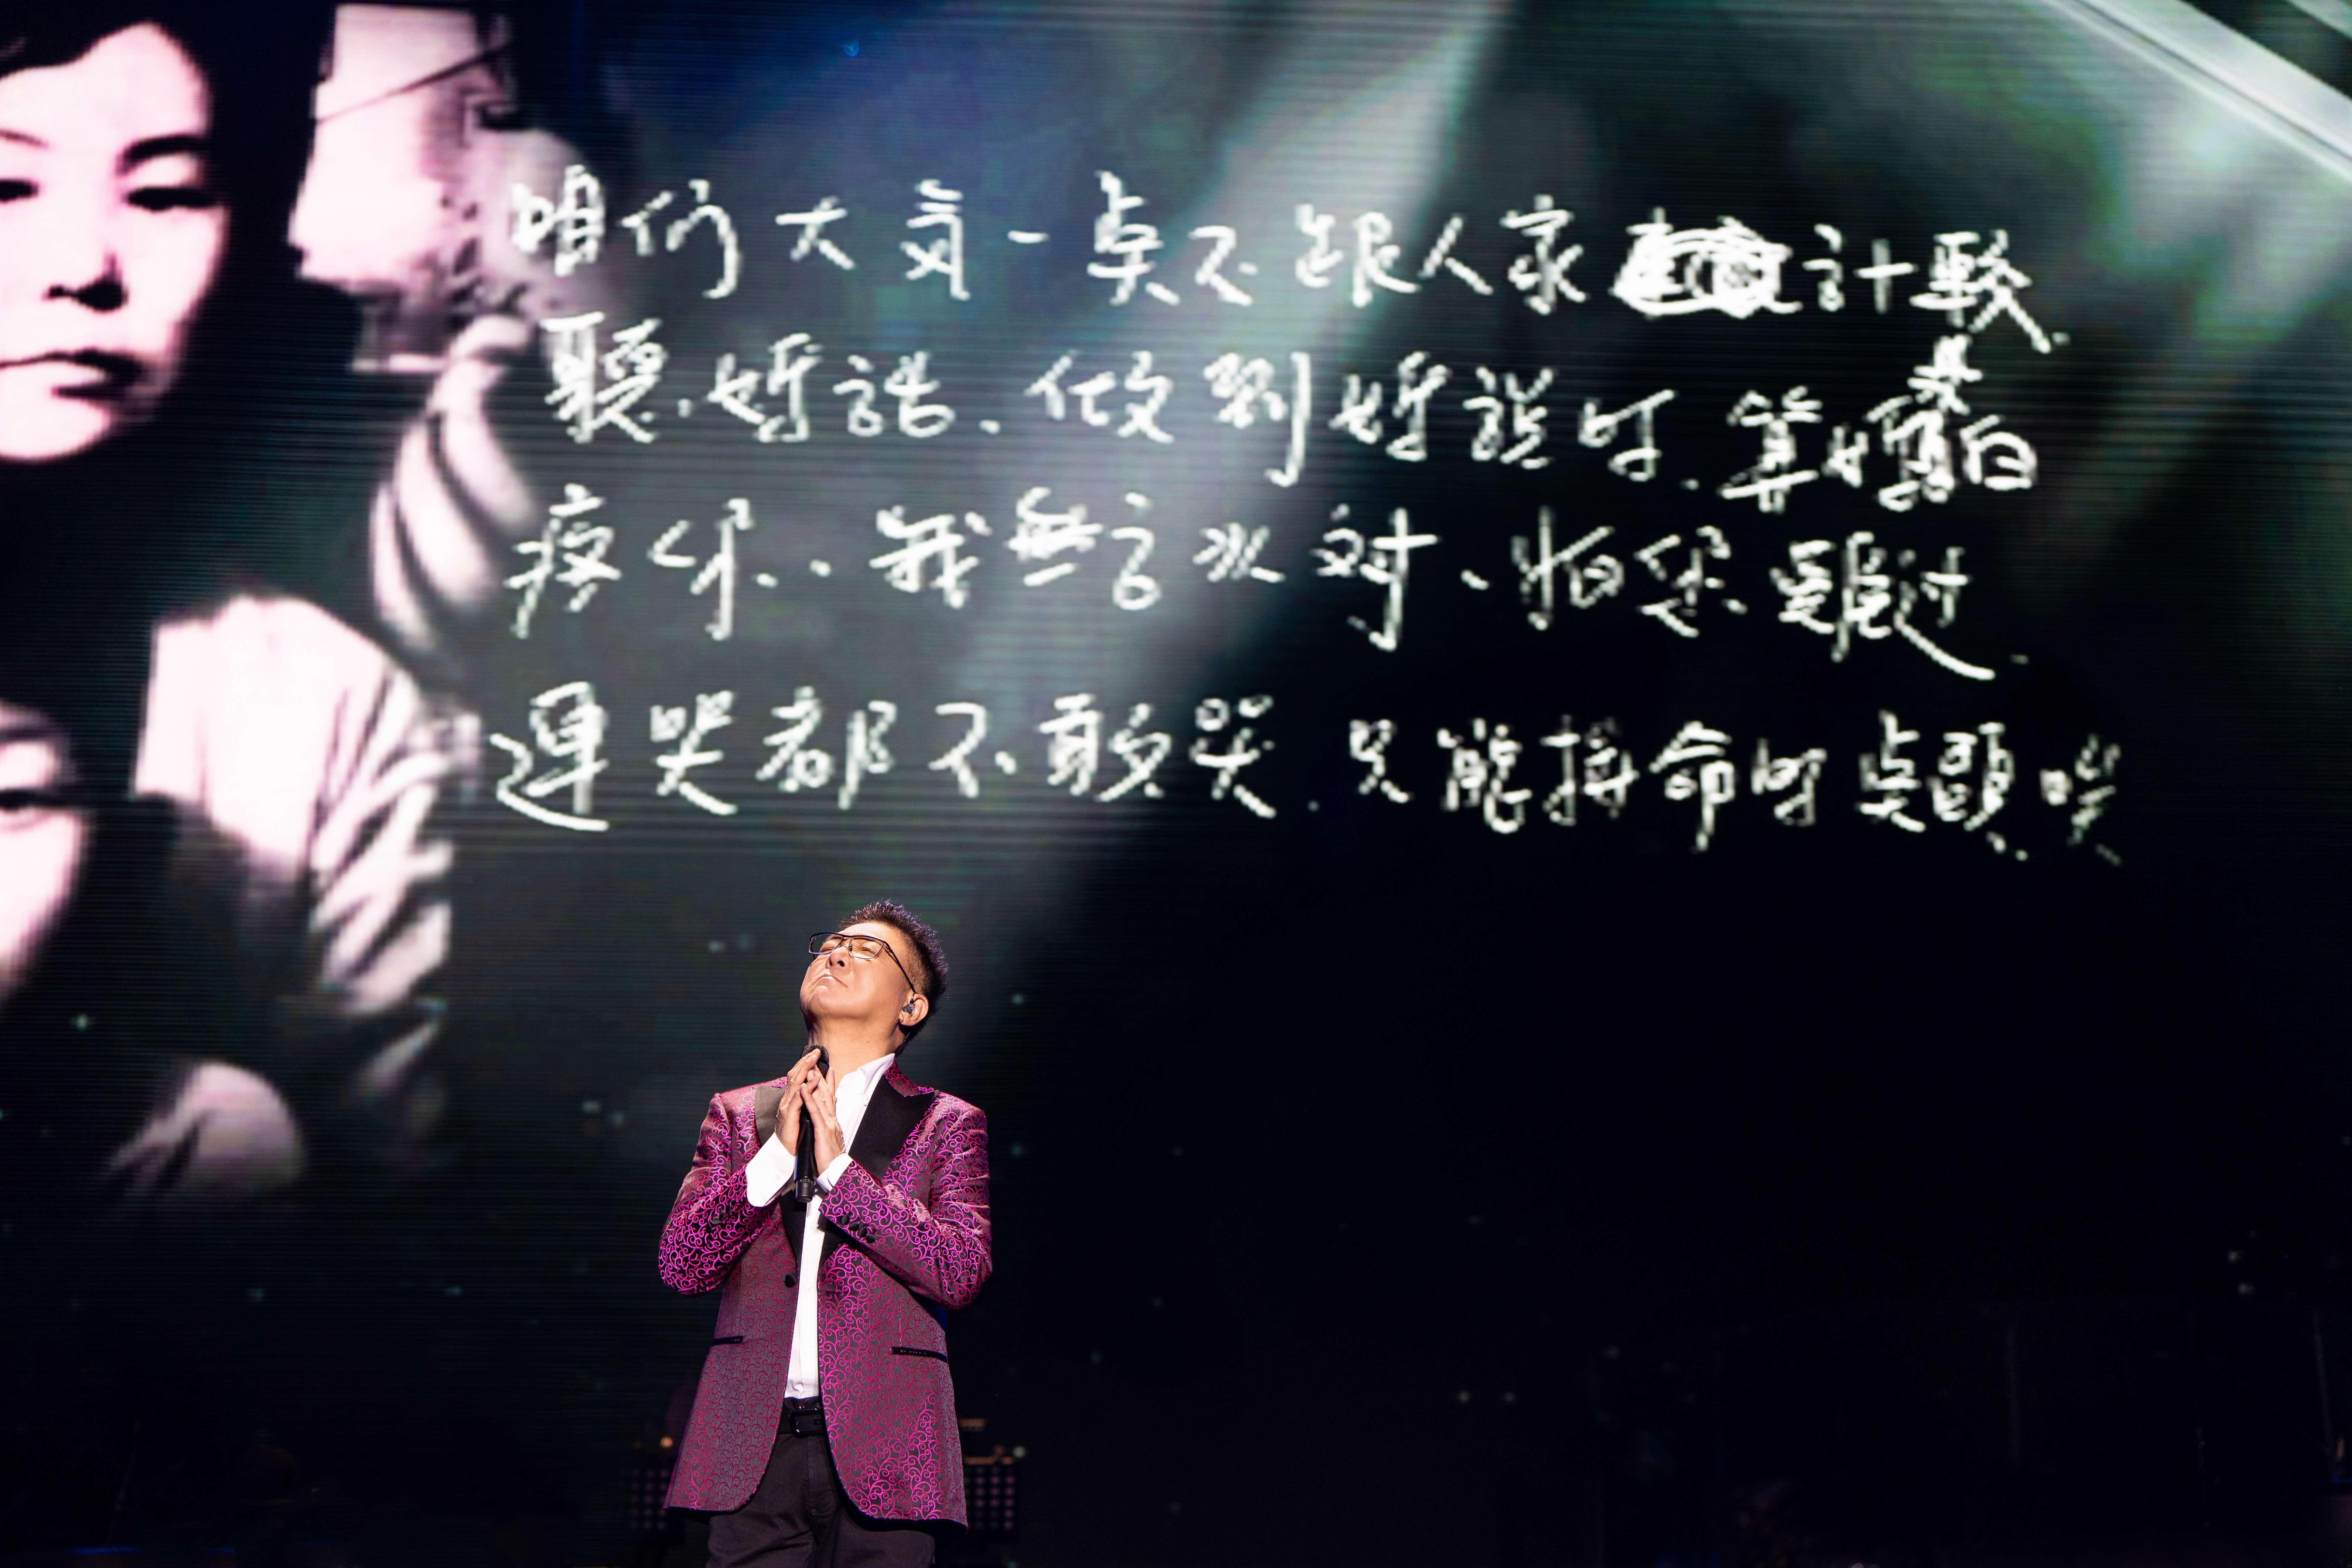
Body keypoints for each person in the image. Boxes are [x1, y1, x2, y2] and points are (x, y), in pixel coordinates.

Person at [0, 2, 450, 1206]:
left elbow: (380, 1206)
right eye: (6, 186)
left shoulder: (327, 703)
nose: (84, 265)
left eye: (164, 195)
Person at [660, 900, 991, 1568]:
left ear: (911, 1007)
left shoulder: (945, 1122)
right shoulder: (739, 1113)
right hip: (753, 1448)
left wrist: (841, 1171)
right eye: (832, 943)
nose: (837, 953)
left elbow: (959, 1270)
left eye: (869, 950)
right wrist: (775, 1157)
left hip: (889, 1450)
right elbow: (682, 1264)